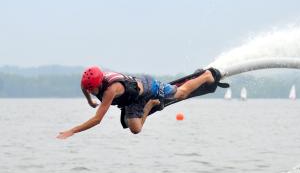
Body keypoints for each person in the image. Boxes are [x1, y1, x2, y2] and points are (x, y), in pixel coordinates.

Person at [56, 66, 218, 139]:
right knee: (135, 130)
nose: (90, 91)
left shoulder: (111, 90)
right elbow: (84, 88)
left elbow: (97, 120)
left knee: (181, 93)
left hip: (148, 89)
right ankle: (149, 105)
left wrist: (73, 131)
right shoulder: (88, 83)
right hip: (131, 100)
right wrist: (90, 101)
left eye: (93, 89)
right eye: (89, 89)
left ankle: (205, 76)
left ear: (99, 83)